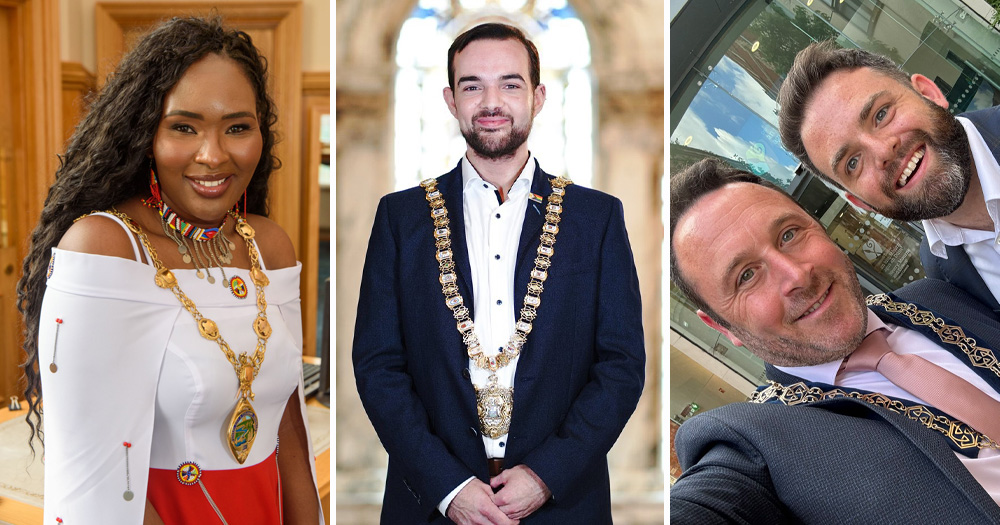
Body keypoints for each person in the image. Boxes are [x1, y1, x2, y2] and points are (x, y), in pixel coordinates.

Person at [16, 17, 322, 523]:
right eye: (184, 126)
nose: (213, 155)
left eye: (237, 128)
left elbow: (287, 426)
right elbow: (95, 472)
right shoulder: (105, 247)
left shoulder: (269, 244)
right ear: (145, 133)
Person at [353, 22, 645, 524]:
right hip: (431, 504)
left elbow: (621, 365)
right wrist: (449, 487)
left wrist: (546, 474)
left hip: (562, 504)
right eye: (473, 86)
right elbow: (378, 366)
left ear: (538, 96)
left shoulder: (596, 219)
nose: (492, 102)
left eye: (510, 84)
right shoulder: (400, 219)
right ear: (450, 99)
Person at [669, 158, 1000, 523]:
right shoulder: (754, 449)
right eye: (746, 276)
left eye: (789, 235)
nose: (796, 275)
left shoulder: (938, 294)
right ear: (722, 328)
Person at [777, 40, 1000, 316]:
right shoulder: (940, 276)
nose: (883, 150)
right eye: (853, 163)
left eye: (881, 114)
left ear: (928, 93)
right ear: (860, 202)